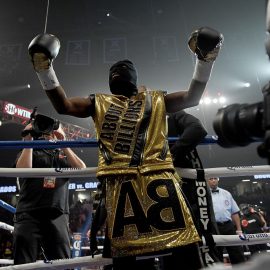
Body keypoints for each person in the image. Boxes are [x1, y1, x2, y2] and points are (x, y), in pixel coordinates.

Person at [28, 26, 223, 270]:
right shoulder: (99, 101)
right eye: (113, 71)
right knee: (134, 258)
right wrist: (44, 67)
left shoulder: (153, 98)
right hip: (127, 184)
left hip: (153, 180)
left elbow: (192, 98)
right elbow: (64, 106)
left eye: (121, 70)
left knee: (182, 251)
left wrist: (205, 59)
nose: (117, 73)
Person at [13, 118, 86, 265]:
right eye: (44, 127)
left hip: (57, 215)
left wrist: (64, 143)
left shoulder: (63, 154)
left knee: (61, 264)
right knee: (23, 264)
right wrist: (28, 141)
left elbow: (82, 169)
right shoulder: (31, 150)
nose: (49, 132)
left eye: (52, 128)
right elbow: (23, 171)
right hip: (28, 213)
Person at [167, 110, 221, 267]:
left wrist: (171, 154)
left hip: (192, 183)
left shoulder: (174, 114)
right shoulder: (141, 121)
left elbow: (198, 129)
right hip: (163, 184)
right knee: (171, 241)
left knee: (204, 235)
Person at [207, 177, 246, 265]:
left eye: (215, 178)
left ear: (218, 180)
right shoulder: (204, 194)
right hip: (213, 227)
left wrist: (239, 229)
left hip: (228, 226)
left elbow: (234, 212)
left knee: (236, 252)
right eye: (211, 179)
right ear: (207, 180)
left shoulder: (226, 193)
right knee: (216, 253)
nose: (213, 180)